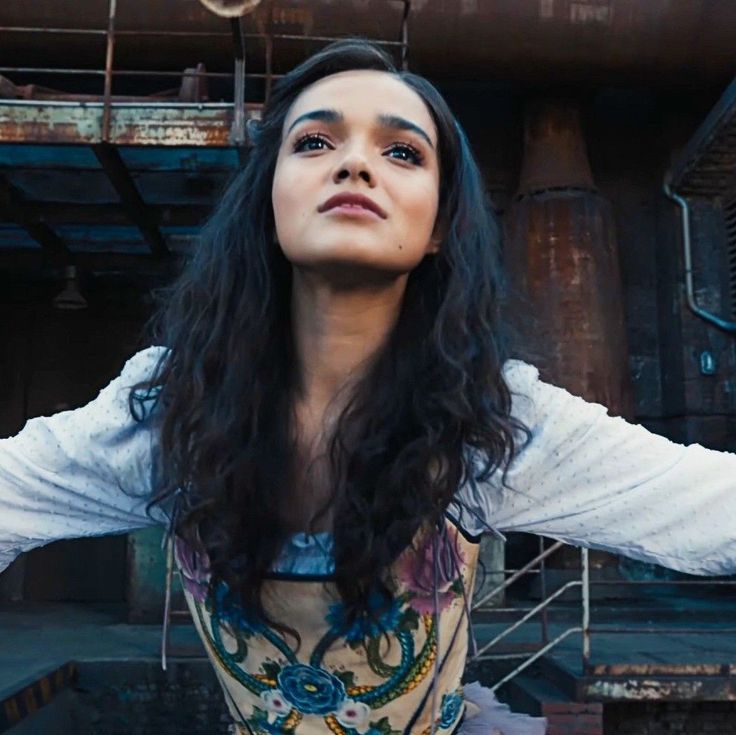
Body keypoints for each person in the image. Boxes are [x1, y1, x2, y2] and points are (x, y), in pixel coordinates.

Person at [1, 39, 735, 735]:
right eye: (315, 143)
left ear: (441, 223)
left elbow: (711, 506)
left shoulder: (488, 418)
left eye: (401, 152)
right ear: (268, 199)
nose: (354, 164)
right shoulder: (171, 407)